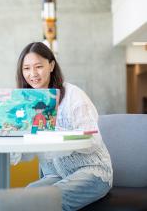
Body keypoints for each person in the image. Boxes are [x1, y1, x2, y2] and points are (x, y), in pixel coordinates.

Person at [12, 42, 112, 211]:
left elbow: (93, 141)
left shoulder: (73, 95)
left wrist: (52, 131)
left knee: (46, 201)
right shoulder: (25, 103)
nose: (33, 74)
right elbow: (26, 153)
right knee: (26, 197)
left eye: (38, 67)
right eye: (26, 68)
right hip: (55, 175)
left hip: (92, 172)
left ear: (51, 65)